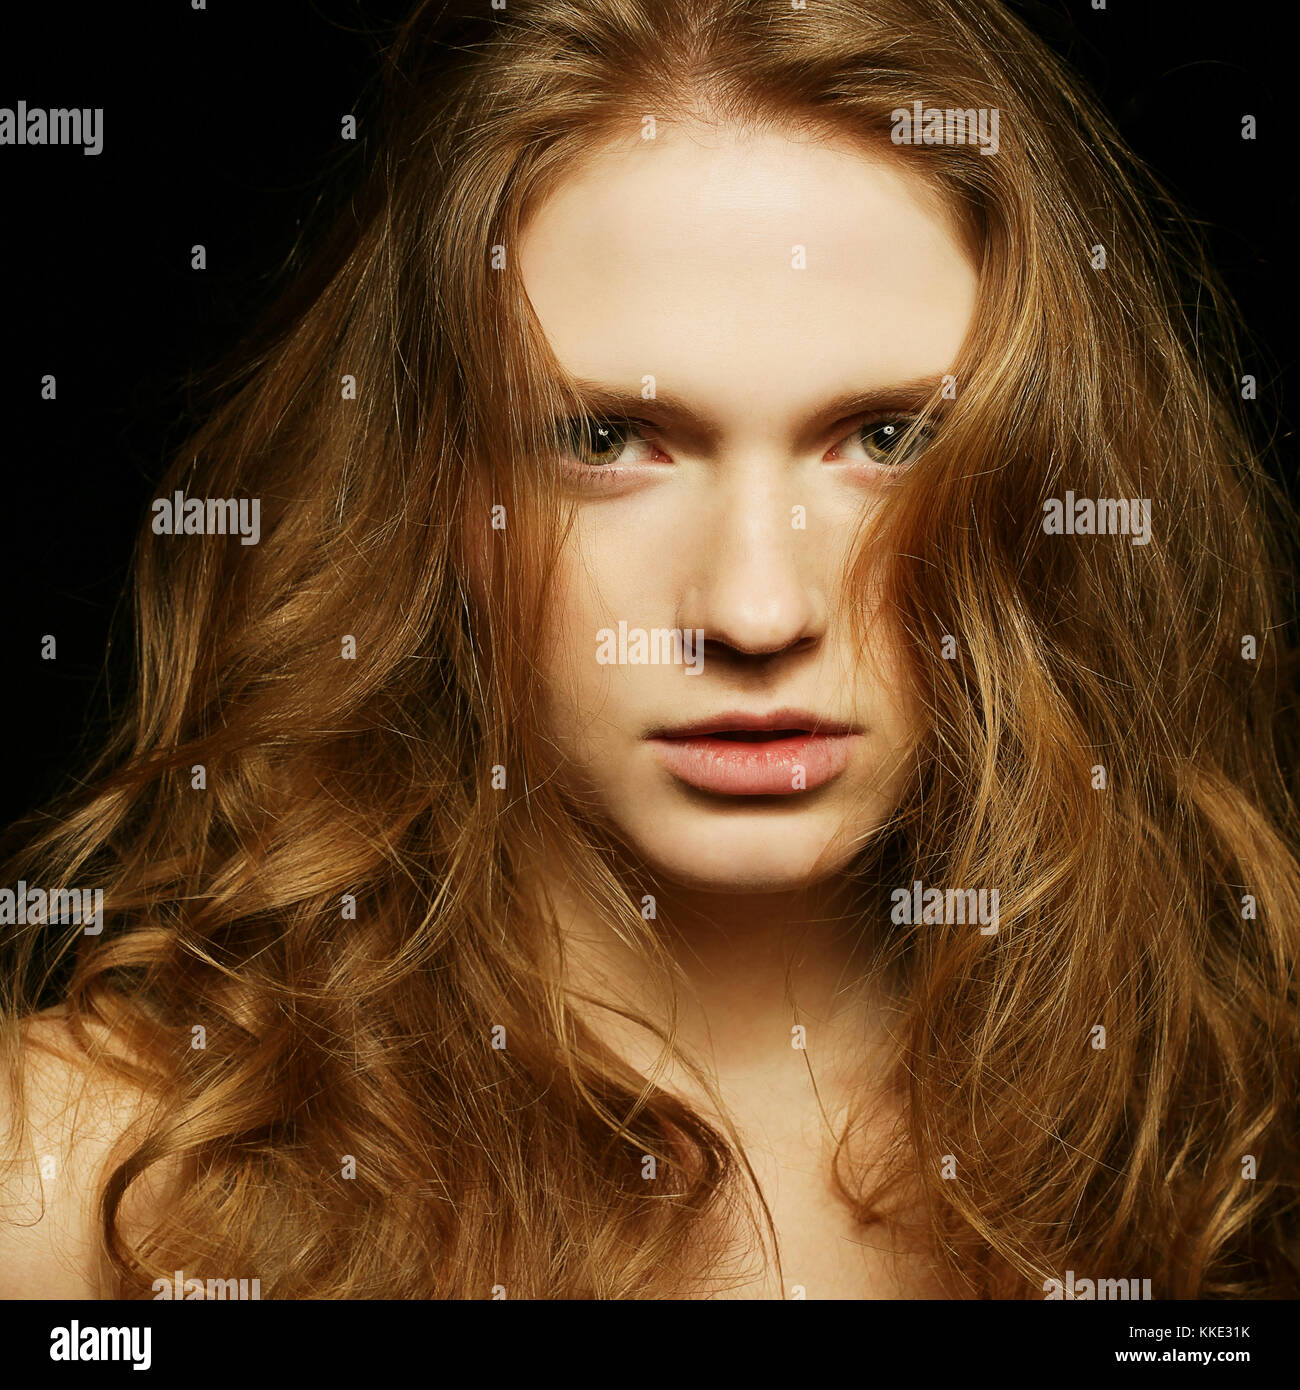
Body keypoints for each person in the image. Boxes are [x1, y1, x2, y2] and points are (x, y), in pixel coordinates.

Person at [2, 0, 1297, 1300]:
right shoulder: (76, 1178)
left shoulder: (1225, 1136)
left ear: (1042, 486)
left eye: (888, 440)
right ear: (436, 499)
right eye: (607, 440)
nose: (752, 610)